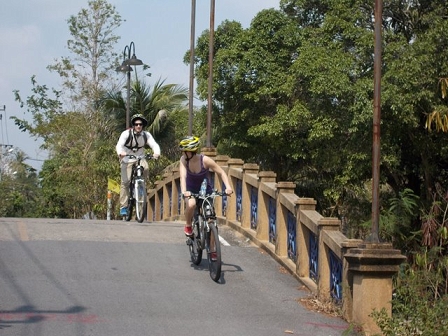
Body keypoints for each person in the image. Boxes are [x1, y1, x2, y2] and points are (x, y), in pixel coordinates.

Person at [179, 136, 233, 236]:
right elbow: (183, 177)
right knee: (191, 204)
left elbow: (221, 172)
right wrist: (184, 191)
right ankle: (188, 225)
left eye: (184, 151)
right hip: (190, 191)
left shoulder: (205, 160)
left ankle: (212, 250)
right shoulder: (183, 160)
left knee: (211, 220)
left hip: (205, 191)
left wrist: (228, 187)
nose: (183, 153)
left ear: (191, 151)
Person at [116, 114, 161, 216]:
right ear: (133, 125)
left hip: (140, 158)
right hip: (127, 158)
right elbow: (119, 145)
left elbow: (154, 144)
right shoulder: (126, 134)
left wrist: (156, 153)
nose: (138, 126)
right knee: (126, 182)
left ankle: (141, 187)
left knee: (145, 168)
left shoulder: (146, 135)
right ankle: (124, 206)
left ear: (143, 125)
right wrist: (120, 153)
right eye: (136, 124)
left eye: (140, 124)